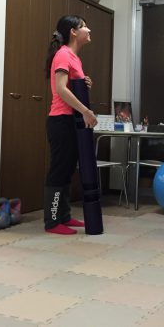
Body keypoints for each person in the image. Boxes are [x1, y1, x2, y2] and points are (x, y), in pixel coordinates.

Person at [44, 15, 97, 235]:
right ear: (73, 32)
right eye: (84, 26)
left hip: (69, 121)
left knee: (66, 170)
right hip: (61, 120)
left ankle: (64, 216)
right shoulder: (63, 54)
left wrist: (84, 83)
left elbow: (70, 85)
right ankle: (52, 221)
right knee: (59, 170)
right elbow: (60, 88)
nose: (89, 30)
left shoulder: (74, 57)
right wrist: (85, 111)